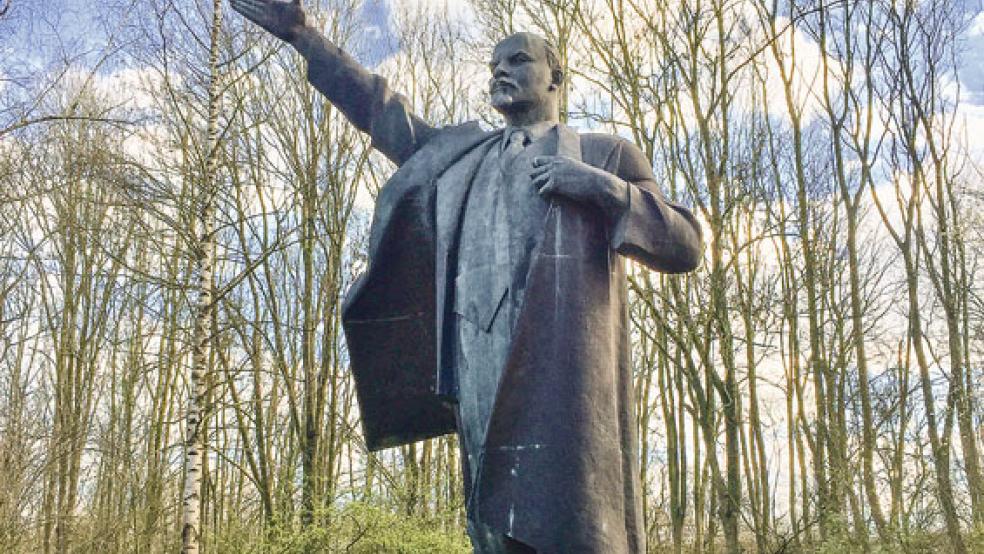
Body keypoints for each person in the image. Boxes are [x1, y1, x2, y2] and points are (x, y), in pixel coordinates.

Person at [230, 1, 703, 552]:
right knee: (491, 529)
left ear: (557, 77)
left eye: (517, 59)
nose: (499, 70)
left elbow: (686, 244)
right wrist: (304, 37)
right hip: (474, 363)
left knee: (576, 527)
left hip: (566, 378)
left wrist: (601, 188)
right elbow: (379, 108)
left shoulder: (605, 154)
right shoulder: (457, 156)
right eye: (492, 64)